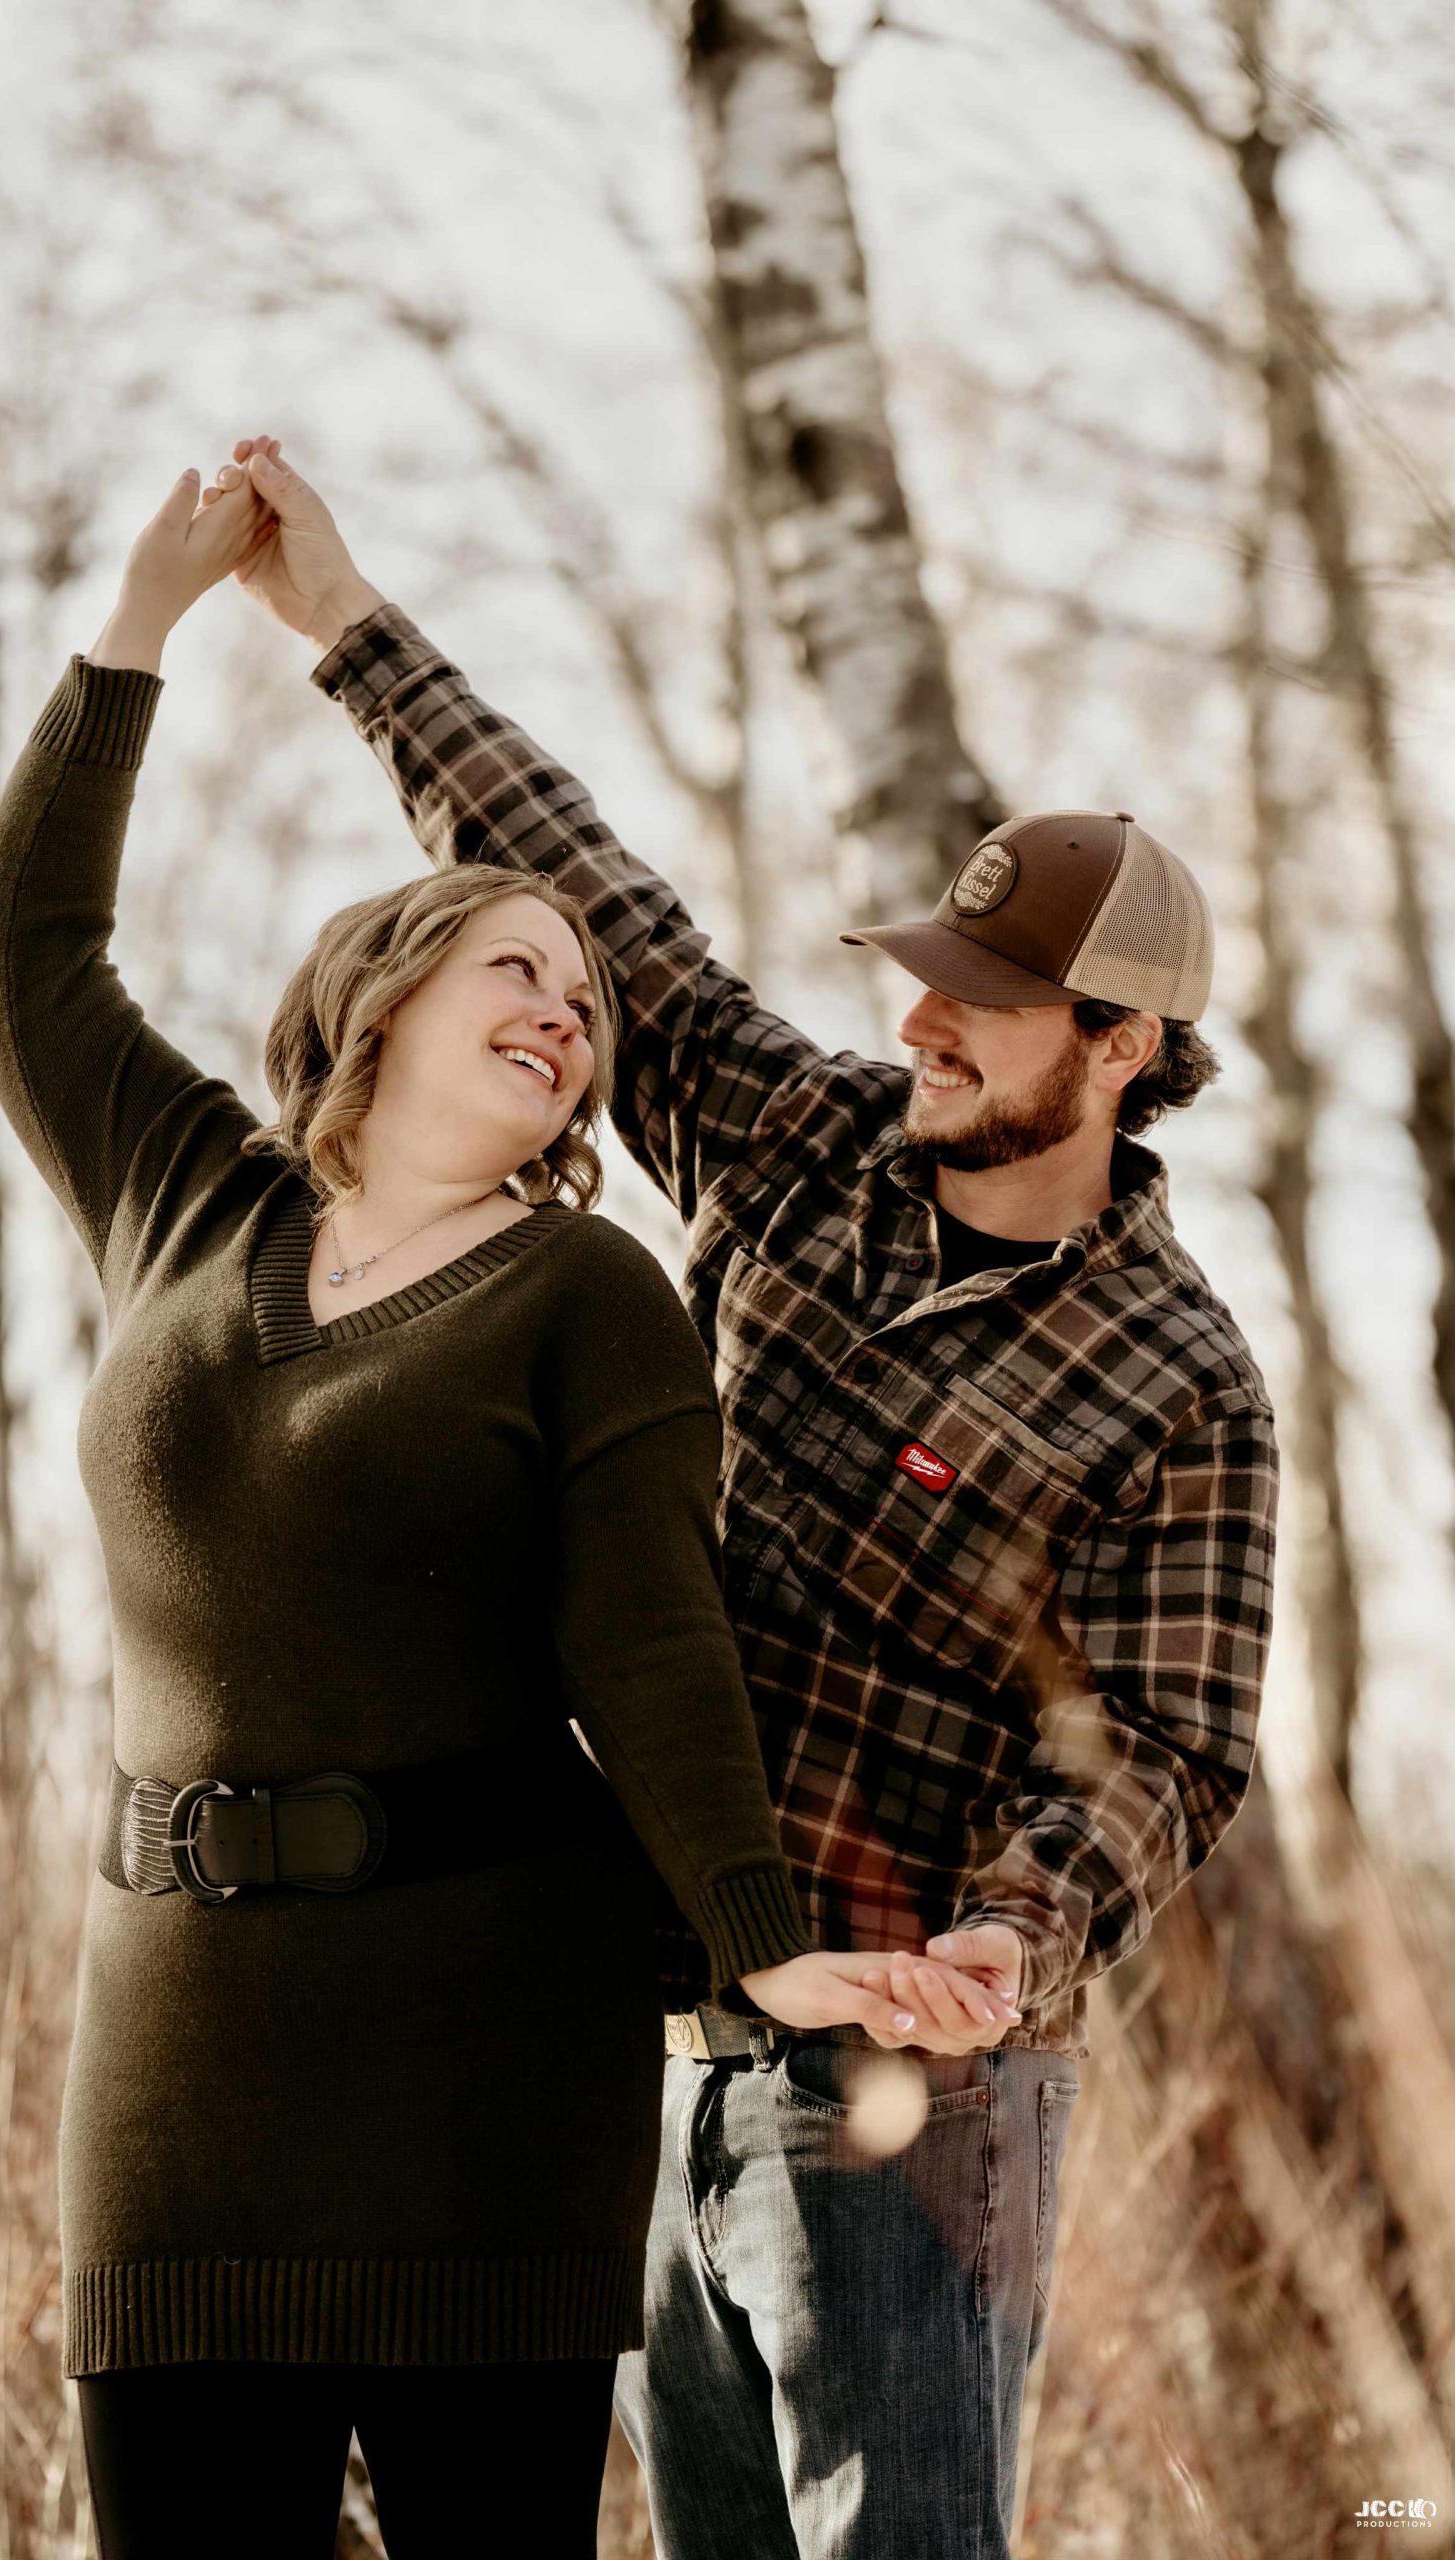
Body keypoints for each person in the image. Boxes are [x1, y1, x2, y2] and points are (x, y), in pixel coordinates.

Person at [215, 433, 1282, 2559]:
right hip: (660, 2032)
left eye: (989, 1002)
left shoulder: (1183, 1379)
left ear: (1119, 1044)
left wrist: (1010, 1931)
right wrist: (336, 616)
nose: (924, 1019)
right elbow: (579, 884)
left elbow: (1164, 1747)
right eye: (928, 973)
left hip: (914, 2096)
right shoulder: (803, 1142)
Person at [0, 461, 950, 2560]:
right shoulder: (184, 1197)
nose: (564, 1016)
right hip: (176, 2041)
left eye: (586, 1008)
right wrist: (136, 628)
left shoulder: (583, 1290)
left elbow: (651, 1635)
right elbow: (26, 949)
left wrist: (764, 1944)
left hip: (485, 2039)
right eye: (519, 967)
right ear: (385, 991)